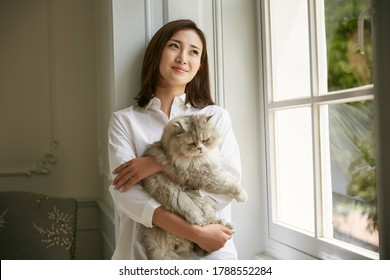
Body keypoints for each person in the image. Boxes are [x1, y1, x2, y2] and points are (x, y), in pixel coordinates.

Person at [108, 19, 242, 259]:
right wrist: (196, 233)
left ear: (200, 65)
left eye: (194, 52)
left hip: (210, 255)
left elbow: (225, 183)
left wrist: (157, 163)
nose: (183, 58)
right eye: (174, 46)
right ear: (157, 52)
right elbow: (125, 194)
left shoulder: (214, 117)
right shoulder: (124, 121)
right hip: (143, 254)